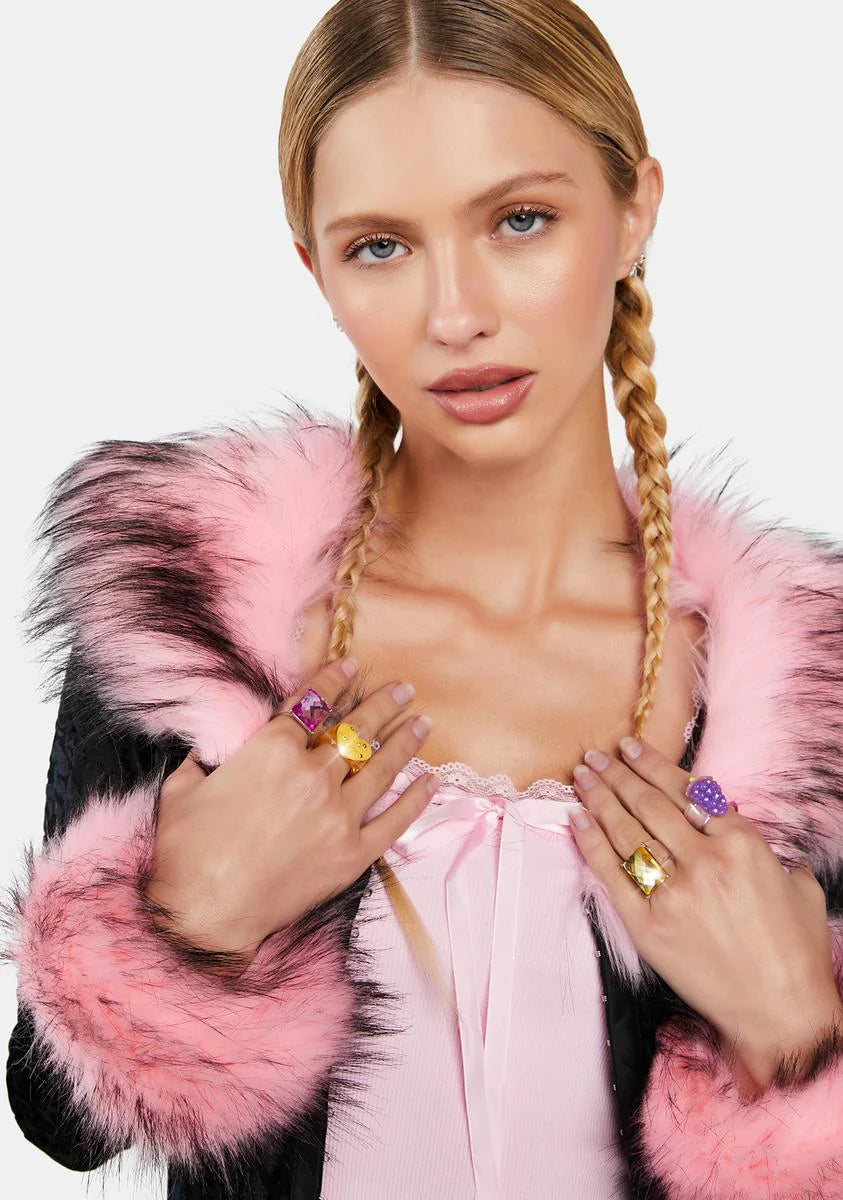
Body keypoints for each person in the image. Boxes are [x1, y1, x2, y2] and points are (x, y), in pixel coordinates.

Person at [4, 2, 843, 1198]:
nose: (456, 314)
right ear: (316, 267)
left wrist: (800, 1032)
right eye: (381, 247)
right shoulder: (190, 627)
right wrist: (188, 923)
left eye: (520, 220)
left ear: (635, 211)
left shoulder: (810, 695)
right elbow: (56, 1120)